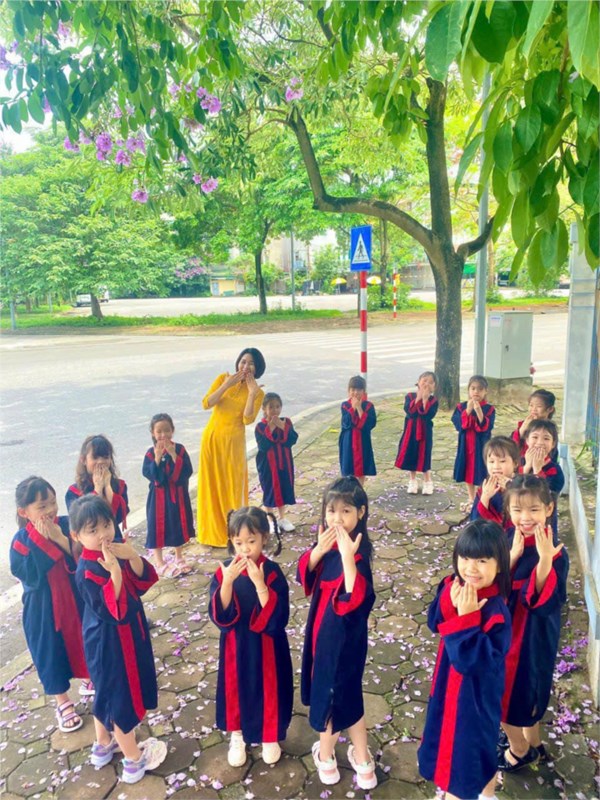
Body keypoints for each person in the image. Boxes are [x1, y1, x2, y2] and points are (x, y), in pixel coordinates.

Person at [71, 495, 166, 783]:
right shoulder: (86, 569)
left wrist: (132, 556)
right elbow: (110, 609)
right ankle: (133, 761)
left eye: (106, 525)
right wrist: (114, 573)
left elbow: (142, 584)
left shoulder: (116, 550)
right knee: (119, 697)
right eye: (92, 530)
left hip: (127, 633)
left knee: (106, 692)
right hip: (110, 642)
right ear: (76, 536)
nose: (103, 534)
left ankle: (103, 745)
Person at [418, 520, 512, 800]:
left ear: (499, 565)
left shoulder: (496, 612)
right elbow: (434, 622)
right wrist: (450, 603)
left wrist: (468, 618)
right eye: (465, 558)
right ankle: (485, 794)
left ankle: (471, 793)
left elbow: (472, 662)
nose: (471, 568)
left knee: (466, 757)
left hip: (473, 701)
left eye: (482, 560)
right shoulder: (454, 586)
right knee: (461, 748)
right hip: (447, 690)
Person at [297, 476, 377, 790]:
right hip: (322, 635)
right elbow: (305, 574)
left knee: (328, 697)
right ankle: (363, 763)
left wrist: (346, 556)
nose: (337, 519)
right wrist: (319, 550)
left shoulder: (357, 554)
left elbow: (354, 601)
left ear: (361, 512)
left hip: (341, 643)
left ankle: (326, 758)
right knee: (350, 696)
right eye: (331, 511)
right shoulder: (327, 546)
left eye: (346, 511)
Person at [208, 507, 292, 768]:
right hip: (236, 645)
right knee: (237, 687)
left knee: (268, 687)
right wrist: (227, 583)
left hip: (267, 645)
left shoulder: (272, 572)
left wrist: (260, 584)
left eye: (251, 541)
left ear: (264, 538)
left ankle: (270, 734)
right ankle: (237, 734)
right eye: (239, 542)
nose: (245, 549)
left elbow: (278, 617)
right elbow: (221, 615)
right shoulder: (224, 571)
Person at [10, 476, 91, 734]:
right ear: (24, 512)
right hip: (44, 608)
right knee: (51, 652)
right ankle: (62, 701)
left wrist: (59, 539)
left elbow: (85, 558)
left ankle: (89, 678)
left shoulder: (66, 525)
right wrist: (42, 541)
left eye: (53, 503)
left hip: (76, 598)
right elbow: (28, 575)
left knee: (85, 638)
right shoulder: (21, 541)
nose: (50, 510)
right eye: (42, 506)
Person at [499, 476, 568, 772]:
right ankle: (533, 743)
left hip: (530, 634)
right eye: (517, 510)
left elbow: (538, 599)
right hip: (504, 628)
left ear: (549, 509)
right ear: (508, 510)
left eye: (534, 509)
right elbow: (493, 585)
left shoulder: (555, 551)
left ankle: (521, 748)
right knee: (516, 689)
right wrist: (512, 557)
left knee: (516, 690)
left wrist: (544, 560)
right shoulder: (506, 539)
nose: (525, 518)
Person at [197, 348, 265, 547]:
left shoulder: (258, 392)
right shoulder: (222, 378)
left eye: (251, 363)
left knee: (232, 487)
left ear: (257, 368)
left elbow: (247, 419)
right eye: (243, 361)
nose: (246, 366)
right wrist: (227, 384)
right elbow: (206, 403)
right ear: (237, 363)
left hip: (233, 445)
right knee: (210, 486)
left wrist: (252, 394)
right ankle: (211, 534)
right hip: (212, 439)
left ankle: (235, 534)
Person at [142, 412, 194, 577]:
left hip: (177, 496)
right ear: (153, 433)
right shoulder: (151, 453)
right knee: (156, 528)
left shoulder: (180, 449)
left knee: (177, 524)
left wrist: (173, 455)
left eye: (167, 430)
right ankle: (159, 561)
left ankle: (179, 557)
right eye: (159, 431)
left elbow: (186, 472)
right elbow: (150, 475)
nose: (163, 435)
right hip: (157, 499)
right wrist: (157, 459)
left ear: (172, 430)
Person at [66, 435, 128, 542]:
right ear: (83, 460)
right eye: (95, 458)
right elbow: (81, 523)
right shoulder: (74, 492)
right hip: (90, 543)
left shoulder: (119, 486)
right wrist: (98, 489)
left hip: (113, 538)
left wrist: (107, 487)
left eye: (105, 457)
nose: (101, 462)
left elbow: (118, 518)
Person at [255, 393, 299, 532]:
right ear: (264, 408)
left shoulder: (286, 422)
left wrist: (283, 427)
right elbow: (263, 446)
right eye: (271, 407)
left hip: (284, 463)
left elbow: (292, 440)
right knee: (269, 490)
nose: (275, 410)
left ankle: (282, 518)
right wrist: (271, 428)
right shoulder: (260, 427)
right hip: (267, 466)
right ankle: (271, 521)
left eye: (277, 406)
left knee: (283, 488)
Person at [452, 375, 495, 512]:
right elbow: (458, 424)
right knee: (467, 469)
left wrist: (479, 412)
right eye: (473, 388)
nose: (476, 392)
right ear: (469, 390)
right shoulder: (461, 407)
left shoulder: (489, 409)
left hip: (481, 445)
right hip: (466, 444)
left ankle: (481, 497)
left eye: (480, 389)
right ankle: (471, 498)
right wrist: (468, 411)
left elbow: (487, 427)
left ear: (485, 391)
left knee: (482, 469)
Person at [395, 371, 438, 494]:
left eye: (430, 382)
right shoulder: (410, 396)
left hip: (425, 432)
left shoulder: (433, 401)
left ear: (434, 387)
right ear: (418, 382)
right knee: (411, 453)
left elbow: (429, 415)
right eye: (424, 381)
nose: (426, 384)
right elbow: (409, 411)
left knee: (425, 455)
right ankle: (412, 480)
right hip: (410, 431)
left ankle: (427, 481)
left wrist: (425, 400)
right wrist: (418, 398)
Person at [520, 419, 564, 540]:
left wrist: (537, 470)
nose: (540, 442)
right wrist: (527, 467)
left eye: (546, 438)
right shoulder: (519, 463)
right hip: (521, 518)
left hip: (544, 520)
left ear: (553, 444)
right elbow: (513, 487)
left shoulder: (555, 470)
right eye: (535, 437)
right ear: (527, 440)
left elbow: (548, 495)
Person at [469, 436, 520, 528]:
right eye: (491, 462)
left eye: (502, 461)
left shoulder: (522, 485)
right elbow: (474, 521)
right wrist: (485, 497)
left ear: (515, 463)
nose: (496, 466)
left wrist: (511, 489)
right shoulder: (486, 487)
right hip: (491, 534)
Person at [338, 376, 377, 485]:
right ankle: (349, 489)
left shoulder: (368, 406)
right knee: (348, 465)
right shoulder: (345, 405)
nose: (355, 393)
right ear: (348, 391)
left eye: (359, 390)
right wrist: (353, 408)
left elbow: (370, 424)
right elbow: (346, 423)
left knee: (363, 466)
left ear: (363, 391)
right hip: (348, 440)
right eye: (353, 389)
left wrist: (359, 408)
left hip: (363, 440)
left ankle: (360, 488)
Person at [511, 389, 556, 458]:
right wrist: (521, 430)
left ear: (550, 409)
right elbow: (512, 445)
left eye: (539, 406)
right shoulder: (525, 424)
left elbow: (553, 452)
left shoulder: (550, 428)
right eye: (531, 405)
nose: (533, 409)